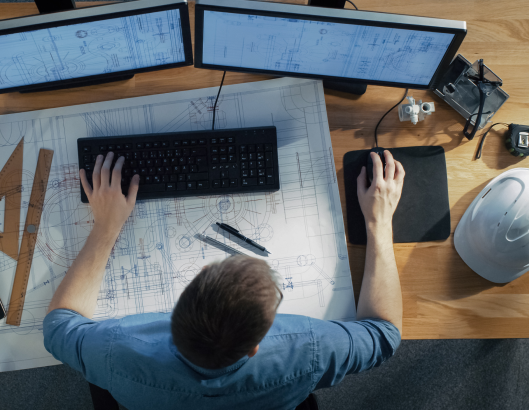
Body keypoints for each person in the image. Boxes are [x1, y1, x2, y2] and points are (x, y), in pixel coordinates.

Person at [44, 150, 405, 410]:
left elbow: (58, 326)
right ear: (254, 347)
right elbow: (384, 334)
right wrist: (379, 222)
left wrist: (106, 226)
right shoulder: (308, 350)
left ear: (176, 310)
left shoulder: (115, 351)